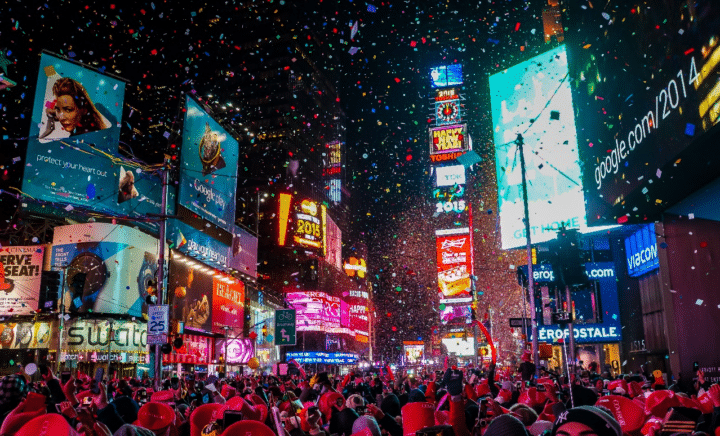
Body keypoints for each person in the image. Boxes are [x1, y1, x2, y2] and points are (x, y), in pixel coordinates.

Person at [39, 77, 110, 140]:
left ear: (84, 109)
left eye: (68, 110)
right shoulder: (88, 132)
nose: (61, 118)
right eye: (58, 110)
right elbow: (49, 108)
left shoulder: (86, 139)